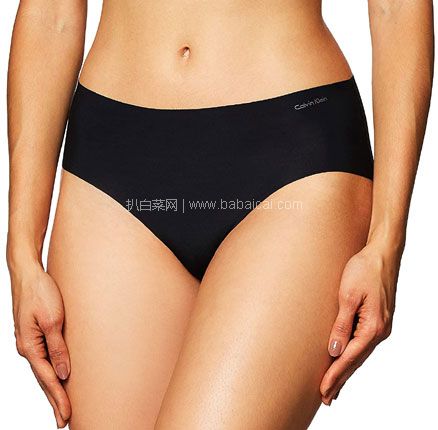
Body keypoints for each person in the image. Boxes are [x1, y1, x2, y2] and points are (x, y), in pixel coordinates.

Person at [6, 1, 434, 429]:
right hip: (111, 168)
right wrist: (21, 252)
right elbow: (51, 13)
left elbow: (395, 8)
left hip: (290, 154)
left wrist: (386, 243)